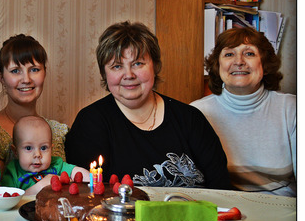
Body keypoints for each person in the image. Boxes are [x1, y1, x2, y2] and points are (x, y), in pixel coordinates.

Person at [64, 21, 232, 189]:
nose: (129, 75)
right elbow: (86, 195)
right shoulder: (90, 123)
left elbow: (222, 188)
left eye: (138, 63)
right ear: (104, 74)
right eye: (117, 66)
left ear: (155, 66)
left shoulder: (191, 119)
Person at [191, 27, 296, 196]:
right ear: (217, 66)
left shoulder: (292, 109)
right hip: (223, 203)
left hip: (282, 204)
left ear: (265, 65)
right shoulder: (197, 113)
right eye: (229, 54)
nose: (239, 61)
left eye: (249, 54)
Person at [0, 34, 68, 167]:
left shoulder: (58, 132)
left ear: (44, 73)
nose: (26, 79)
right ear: (1, 78)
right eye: (15, 71)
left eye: (34, 70)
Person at [1, 116, 89, 195]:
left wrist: (92, 179)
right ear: (16, 152)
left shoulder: (56, 164)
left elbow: (76, 172)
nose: (37, 155)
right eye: (28, 148)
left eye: (43, 148)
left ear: (51, 149)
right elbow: (9, 200)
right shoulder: (13, 172)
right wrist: (38, 187)